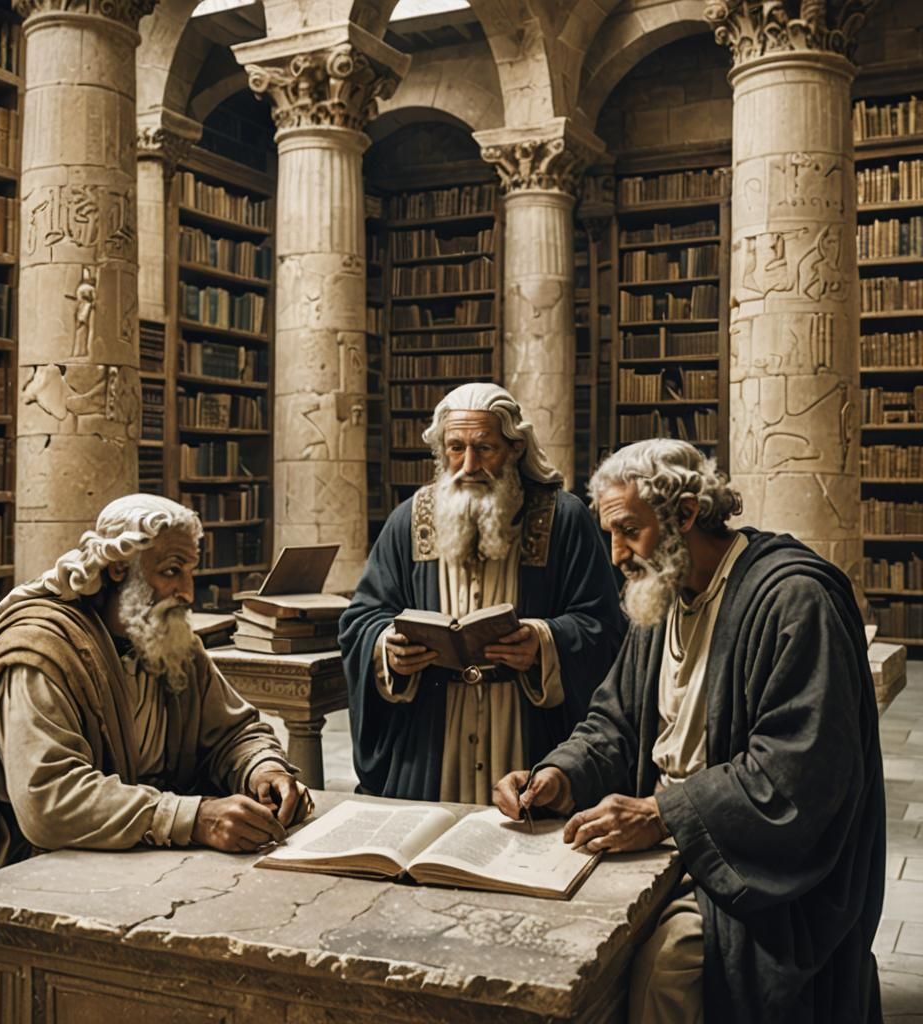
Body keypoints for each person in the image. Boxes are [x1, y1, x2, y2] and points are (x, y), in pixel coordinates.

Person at [493, 439, 885, 1023]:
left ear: (685, 515)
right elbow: (614, 723)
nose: (617, 554)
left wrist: (663, 814)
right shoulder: (663, 596)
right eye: (610, 534)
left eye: (630, 531)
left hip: (755, 862)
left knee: (669, 962)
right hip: (675, 834)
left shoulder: (793, 599)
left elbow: (797, 772)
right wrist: (559, 773)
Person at [0, 494, 311, 1023]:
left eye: (189, 571)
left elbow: (234, 730)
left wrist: (262, 767)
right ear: (117, 570)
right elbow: (50, 801)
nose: (185, 591)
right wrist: (193, 816)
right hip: (47, 890)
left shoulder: (169, 636)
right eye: (170, 572)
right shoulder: (42, 652)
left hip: (150, 873)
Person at [339, 382, 625, 803]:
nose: (468, 464)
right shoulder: (409, 520)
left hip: (528, 733)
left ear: (514, 449)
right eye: (456, 448)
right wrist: (387, 649)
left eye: (485, 448)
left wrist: (544, 643)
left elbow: (603, 624)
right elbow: (361, 619)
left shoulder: (563, 519)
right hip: (432, 736)